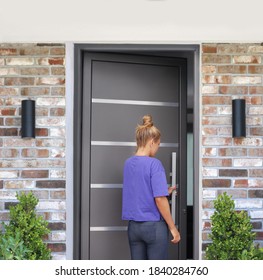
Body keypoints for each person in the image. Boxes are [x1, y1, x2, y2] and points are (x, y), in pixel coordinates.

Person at [122, 114, 180, 260]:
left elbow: (138, 189)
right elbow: (160, 200)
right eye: (158, 144)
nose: (158, 148)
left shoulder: (128, 164)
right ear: (152, 142)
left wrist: (163, 190)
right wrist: (173, 228)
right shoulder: (154, 164)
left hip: (134, 228)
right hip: (153, 227)